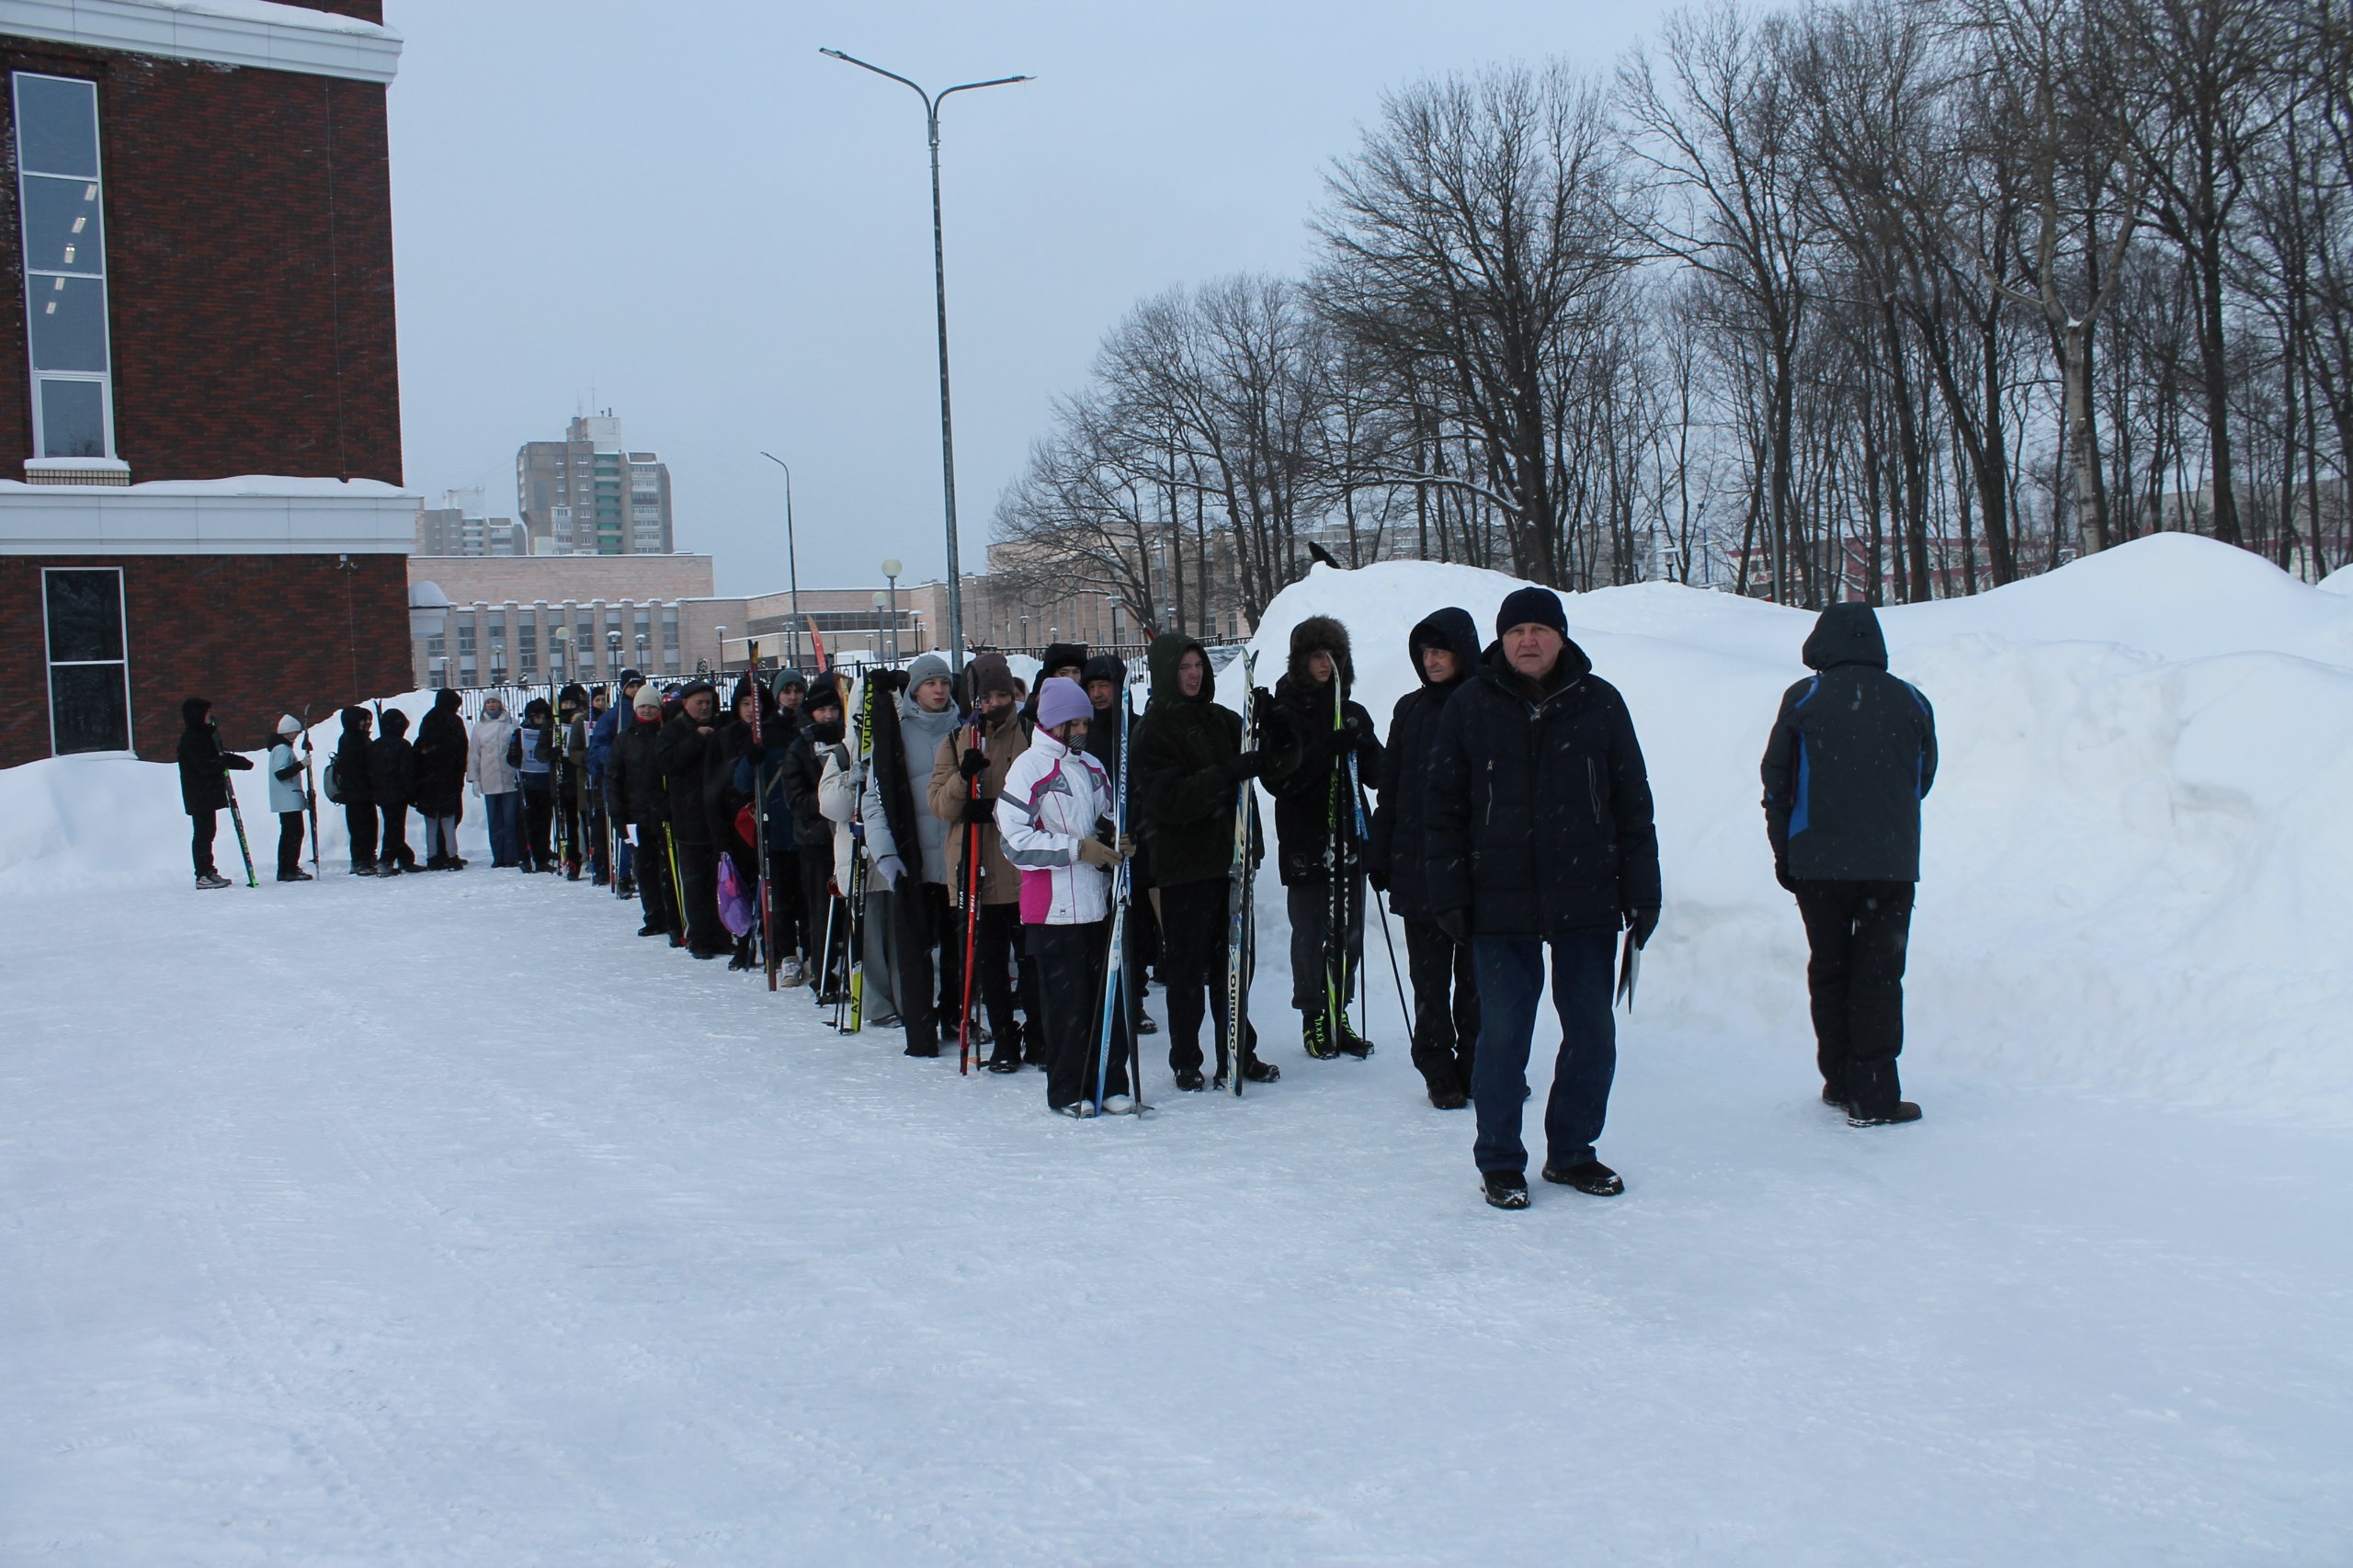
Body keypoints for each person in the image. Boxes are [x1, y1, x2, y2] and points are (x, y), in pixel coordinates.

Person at [1427, 586, 1661, 1210]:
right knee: (1503, 1036)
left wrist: (1644, 893)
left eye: (1539, 628)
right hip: (1497, 903)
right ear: (1500, 640)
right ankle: (1501, 1160)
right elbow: (1443, 809)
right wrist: (1446, 890)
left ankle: (1573, 1152)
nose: (1527, 640)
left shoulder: (1600, 703)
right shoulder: (1471, 706)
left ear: (1561, 635)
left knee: (1592, 1032)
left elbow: (1633, 807)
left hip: (1586, 895)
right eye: (1515, 630)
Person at [1760, 602, 1938, 1129]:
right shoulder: (1911, 699)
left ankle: (1840, 1080)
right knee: (1880, 975)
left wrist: (1785, 853)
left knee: (1831, 969)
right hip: (1891, 862)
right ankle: (1876, 1092)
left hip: (1817, 862)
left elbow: (1776, 784)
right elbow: (1923, 777)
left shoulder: (1805, 697)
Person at [1131, 633, 1288, 1089]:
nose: (1194, 674)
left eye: (1198, 664)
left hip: (1233, 864)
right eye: (1183, 667)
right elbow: (1169, 800)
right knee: (1186, 971)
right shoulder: (1153, 731)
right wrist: (1224, 775)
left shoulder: (1224, 722)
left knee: (1235, 965)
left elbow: (1268, 770)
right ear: (1166, 672)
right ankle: (1186, 1058)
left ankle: (1238, 1049)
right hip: (1184, 869)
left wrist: (1275, 726)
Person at [996, 676, 1131, 1115]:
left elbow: (1107, 815)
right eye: (1071, 723)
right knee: (1066, 1004)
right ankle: (1068, 1089)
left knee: (1104, 996)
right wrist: (1076, 849)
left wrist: (1116, 838)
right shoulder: (1029, 768)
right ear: (1051, 723)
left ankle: (1111, 1081)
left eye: (1085, 723)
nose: (1080, 731)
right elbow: (1014, 841)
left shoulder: (1092, 766)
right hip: (1052, 908)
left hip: (1096, 901)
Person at [1368, 608, 1483, 1109]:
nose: (1432, 661)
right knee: (1430, 979)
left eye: (1441, 651)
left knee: (1479, 979)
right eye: (1425, 653)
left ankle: (1481, 1063)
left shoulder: (1487, 704)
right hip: (1419, 867)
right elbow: (1390, 787)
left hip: (1478, 866)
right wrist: (1380, 847)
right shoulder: (1409, 709)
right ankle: (1437, 1067)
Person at [1264, 616, 1384, 1060]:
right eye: (1317, 656)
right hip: (1306, 839)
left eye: (1334, 656)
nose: (1326, 664)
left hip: (1349, 837)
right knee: (1310, 930)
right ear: (1300, 661)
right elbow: (1281, 780)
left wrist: (1362, 744)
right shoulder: (1285, 712)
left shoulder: (1352, 710)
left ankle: (1340, 1008)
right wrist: (1322, 750)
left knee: (1348, 932)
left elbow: (1378, 773)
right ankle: (1313, 1013)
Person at [928, 653, 1030, 1070]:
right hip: (976, 868)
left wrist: (998, 808)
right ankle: (1004, 1040)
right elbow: (939, 805)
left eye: (1002, 695)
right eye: (985, 697)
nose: (994, 704)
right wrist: (963, 778)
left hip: (1021, 868)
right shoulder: (957, 741)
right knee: (989, 966)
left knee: (1032, 962)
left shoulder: (1029, 734)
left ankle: (1038, 1035)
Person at [862, 653, 967, 1056]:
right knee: (917, 952)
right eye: (929, 683)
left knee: (957, 949)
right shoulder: (896, 734)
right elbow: (875, 801)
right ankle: (920, 1027)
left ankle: (957, 1016)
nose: (938, 690)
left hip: (956, 860)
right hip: (915, 862)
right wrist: (887, 857)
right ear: (914, 690)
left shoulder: (963, 729)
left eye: (943, 682)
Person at [733, 674, 806, 983]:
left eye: (797, 690)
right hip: (776, 827)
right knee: (783, 899)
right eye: (786, 691)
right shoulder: (765, 731)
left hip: (809, 826)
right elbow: (741, 783)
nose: (792, 697)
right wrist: (751, 762)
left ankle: (815, 951)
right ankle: (786, 953)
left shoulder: (810, 726)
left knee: (811, 896)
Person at [784, 675, 849, 998]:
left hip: (847, 836)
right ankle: (823, 974)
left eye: (832, 710)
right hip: (816, 840)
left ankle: (852, 971)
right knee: (821, 911)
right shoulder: (800, 746)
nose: (828, 716)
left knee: (851, 910)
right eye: (821, 710)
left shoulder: (848, 740)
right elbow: (794, 798)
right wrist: (827, 800)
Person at [657, 677, 727, 958]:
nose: (704, 707)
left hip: (717, 814)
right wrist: (696, 740)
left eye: (708, 702)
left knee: (721, 880)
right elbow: (667, 764)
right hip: (689, 817)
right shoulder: (673, 731)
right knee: (696, 882)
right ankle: (699, 938)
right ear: (685, 703)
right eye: (699, 702)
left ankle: (722, 934)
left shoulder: (720, 726)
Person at [608, 681, 676, 940]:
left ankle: (673, 916)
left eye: (652, 706)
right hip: (635, 815)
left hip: (662, 813)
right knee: (645, 869)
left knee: (667, 868)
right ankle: (653, 917)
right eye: (643, 706)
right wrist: (617, 813)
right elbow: (613, 777)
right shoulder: (624, 740)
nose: (647, 711)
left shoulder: (665, 735)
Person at [176, 697, 253, 889]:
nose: (211, 715)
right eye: (207, 712)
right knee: (203, 833)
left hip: (206, 794)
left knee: (208, 832)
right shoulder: (191, 739)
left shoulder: (204, 735)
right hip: (199, 794)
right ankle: (202, 874)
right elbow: (206, 765)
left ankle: (208, 870)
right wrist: (225, 762)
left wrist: (237, 762)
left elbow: (216, 757)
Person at [591, 670, 642, 892]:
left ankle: (642, 871)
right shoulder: (613, 716)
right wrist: (615, 759)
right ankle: (623, 873)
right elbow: (597, 748)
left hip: (641, 779)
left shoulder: (645, 711)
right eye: (631, 686)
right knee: (624, 829)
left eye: (638, 686)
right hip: (619, 779)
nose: (635, 691)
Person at [412, 687, 468, 869]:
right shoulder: (454, 721)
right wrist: (459, 771)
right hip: (449, 777)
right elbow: (461, 749)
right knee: (449, 818)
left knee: (431, 820)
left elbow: (421, 748)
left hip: (428, 779)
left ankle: (433, 856)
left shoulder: (428, 719)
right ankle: (451, 855)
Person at [467, 694, 522, 869]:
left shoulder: (511, 723)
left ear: (500, 703)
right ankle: (498, 856)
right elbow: (474, 755)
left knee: (511, 819)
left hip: (509, 778)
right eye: (488, 702)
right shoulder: (479, 728)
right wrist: (474, 778)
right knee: (495, 820)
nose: (491, 705)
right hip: (489, 779)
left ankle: (512, 855)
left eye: (494, 702)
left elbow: (519, 748)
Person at [367, 708, 418, 874]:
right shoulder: (402, 745)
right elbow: (407, 772)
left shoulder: (375, 745)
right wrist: (411, 793)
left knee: (392, 826)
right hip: (398, 793)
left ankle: (405, 858)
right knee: (395, 828)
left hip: (381, 792)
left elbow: (370, 770)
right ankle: (387, 861)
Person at [267, 714, 313, 882]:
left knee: (290, 833)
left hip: (287, 798)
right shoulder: (282, 750)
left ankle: (287, 867)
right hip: (287, 799)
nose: (296, 735)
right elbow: (281, 773)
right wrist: (301, 764)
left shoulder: (280, 748)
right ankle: (289, 868)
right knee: (293, 833)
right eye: (295, 732)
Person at [332, 706, 378, 875]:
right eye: (363, 720)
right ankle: (360, 860)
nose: (367, 723)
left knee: (368, 826)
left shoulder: (358, 738)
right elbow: (359, 766)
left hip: (362, 792)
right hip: (357, 792)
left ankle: (366, 857)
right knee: (361, 828)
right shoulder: (352, 740)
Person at [515, 697, 556, 873]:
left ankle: (543, 854)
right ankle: (527, 855)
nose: (540, 721)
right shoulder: (520, 732)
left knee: (545, 821)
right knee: (529, 823)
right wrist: (515, 754)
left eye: (543, 718)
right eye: (537, 718)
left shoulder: (551, 732)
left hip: (545, 782)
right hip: (528, 782)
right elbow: (511, 757)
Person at [555, 683, 591, 880]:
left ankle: (590, 854)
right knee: (570, 822)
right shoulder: (556, 724)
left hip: (581, 777)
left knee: (586, 820)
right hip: (566, 779)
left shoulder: (583, 721)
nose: (567, 706)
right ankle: (573, 858)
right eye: (565, 703)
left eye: (571, 703)